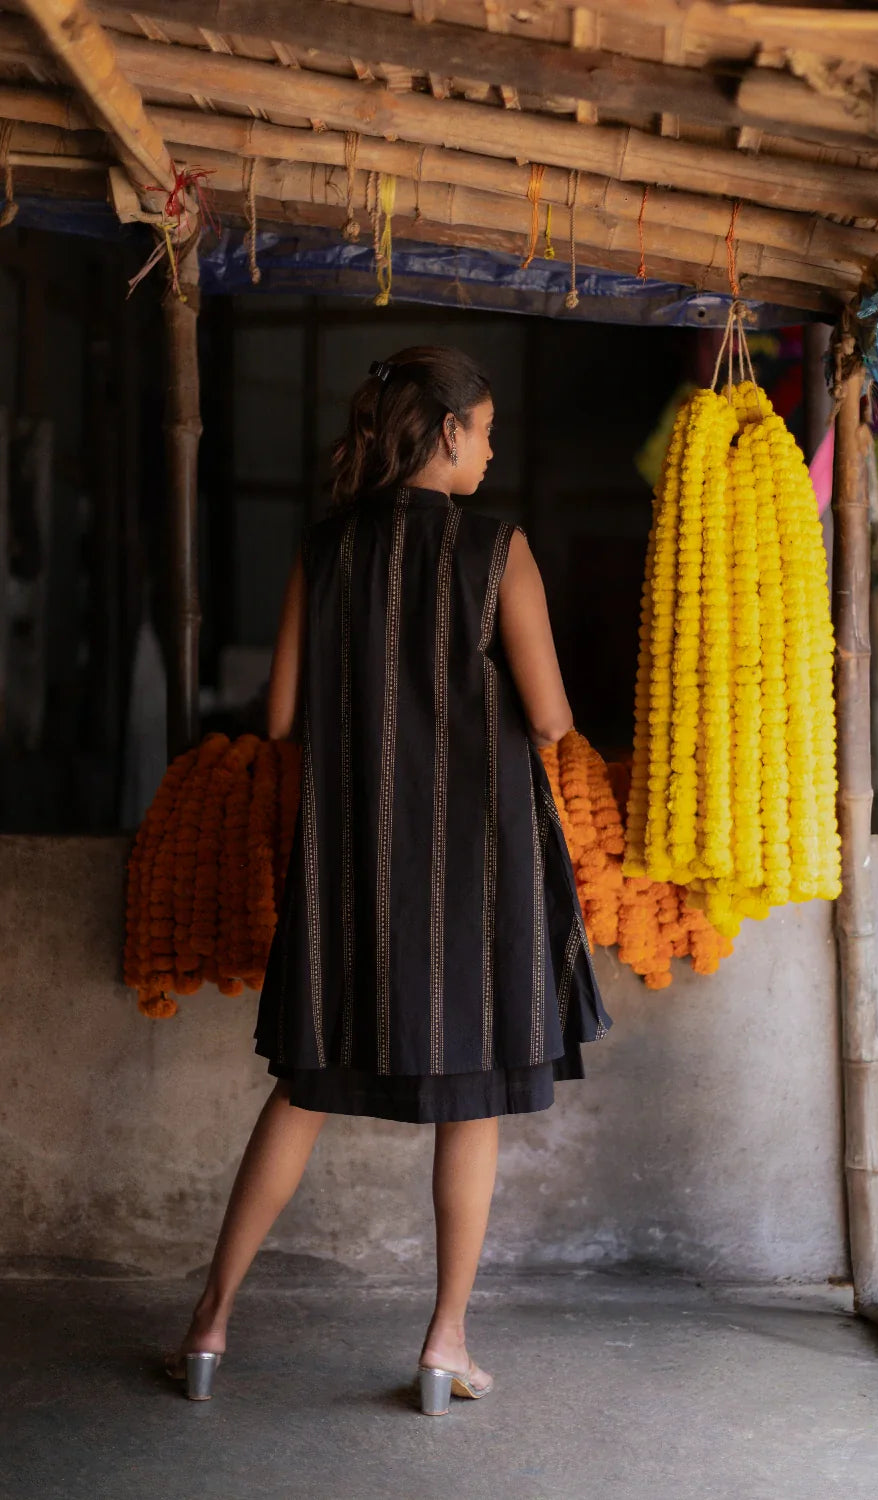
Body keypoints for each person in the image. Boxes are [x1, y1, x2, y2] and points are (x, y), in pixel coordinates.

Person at [165, 344, 614, 1416]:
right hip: (478, 861)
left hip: (352, 857)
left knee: (303, 1087)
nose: (494, 446)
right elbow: (551, 720)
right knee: (472, 1103)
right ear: (449, 432)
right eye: (488, 428)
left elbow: (277, 719)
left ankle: (209, 1324)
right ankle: (443, 1342)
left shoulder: (324, 550)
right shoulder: (494, 545)